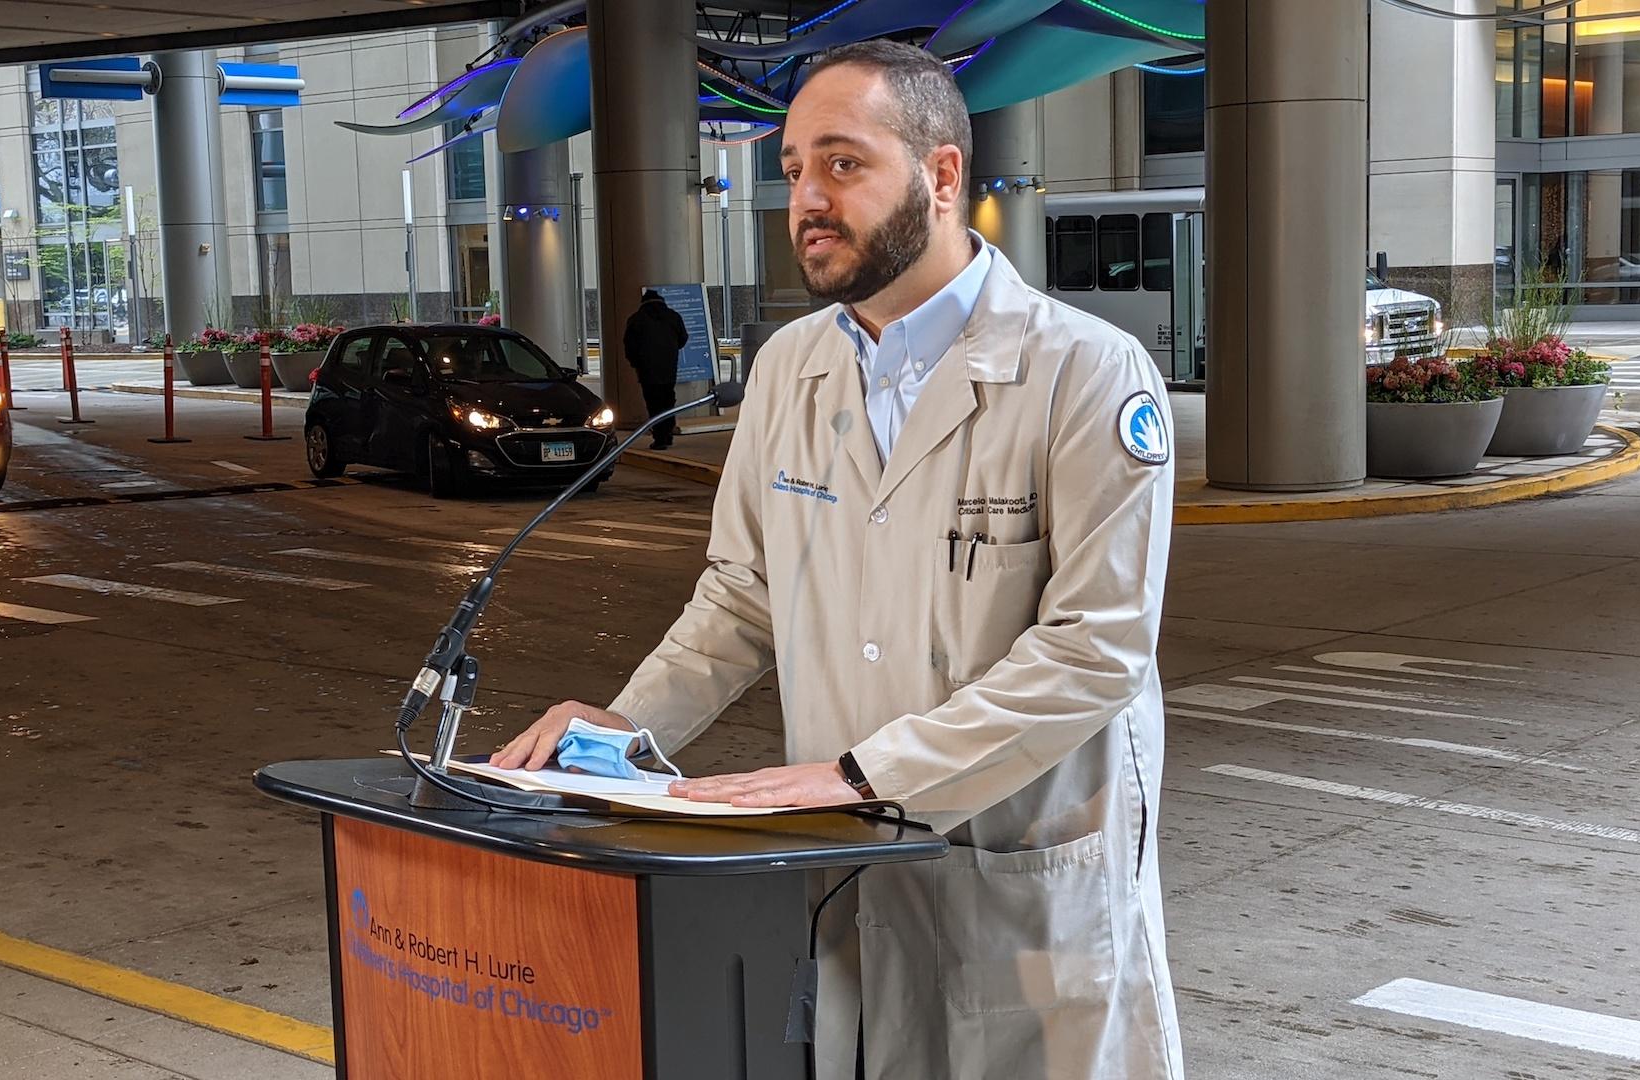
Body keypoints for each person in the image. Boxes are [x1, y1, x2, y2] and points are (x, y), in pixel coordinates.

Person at [492, 39, 1182, 1080]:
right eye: (793, 167)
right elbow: (742, 596)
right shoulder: (789, 369)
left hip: (1019, 875)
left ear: (943, 175)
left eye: (843, 163)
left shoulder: (1082, 373)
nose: (807, 196)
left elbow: (1096, 651)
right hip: (845, 856)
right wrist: (629, 727)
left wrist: (865, 778)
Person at [622, 288, 688, 449]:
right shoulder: (673, 317)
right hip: (668, 368)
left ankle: (660, 438)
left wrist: (636, 362)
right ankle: (668, 433)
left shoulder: (636, 319)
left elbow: (629, 346)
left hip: (647, 371)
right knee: (668, 400)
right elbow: (683, 338)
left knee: (654, 403)